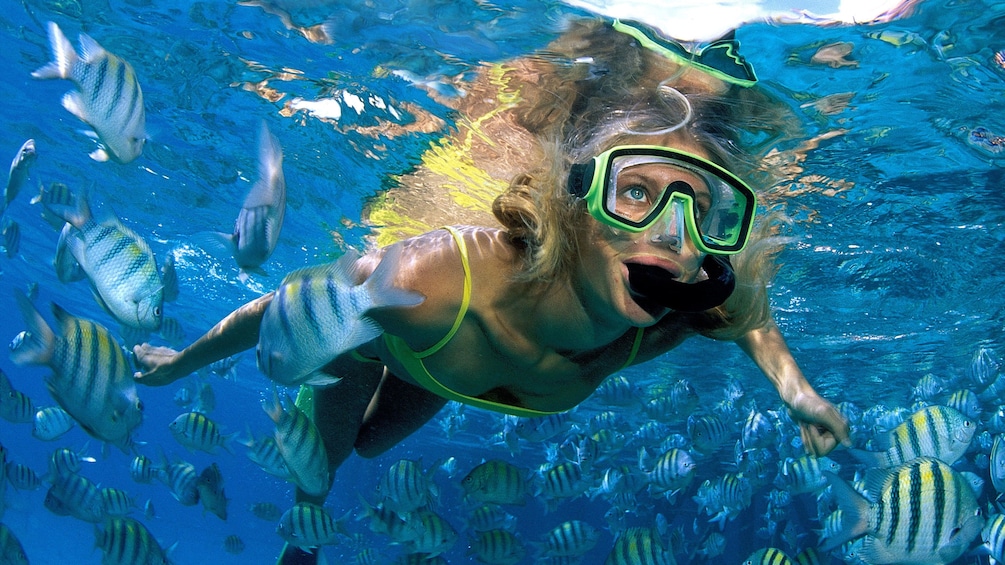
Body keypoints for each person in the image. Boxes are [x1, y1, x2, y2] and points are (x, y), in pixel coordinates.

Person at [133, 17, 850, 564]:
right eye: (636, 190)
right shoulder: (437, 279)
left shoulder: (671, 307)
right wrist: (178, 364)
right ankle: (304, 536)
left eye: (699, 206)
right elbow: (279, 312)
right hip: (392, 340)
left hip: (445, 368)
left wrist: (797, 392)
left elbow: (745, 312)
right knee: (324, 464)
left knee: (377, 446)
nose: (675, 234)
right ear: (572, 202)